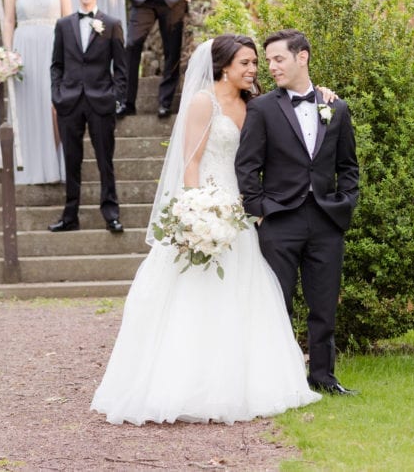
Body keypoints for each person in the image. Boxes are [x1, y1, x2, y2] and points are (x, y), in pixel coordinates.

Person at [91, 35, 322, 425]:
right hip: (208, 206)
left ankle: (242, 382)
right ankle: (185, 383)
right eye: (246, 63)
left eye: (255, 63)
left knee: (243, 291)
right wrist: (197, 212)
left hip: (241, 211)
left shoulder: (257, 103)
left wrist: (324, 96)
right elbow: (191, 161)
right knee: (194, 294)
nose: (253, 70)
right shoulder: (203, 102)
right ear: (224, 66)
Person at [235, 29, 360, 396]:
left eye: (278, 59)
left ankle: (323, 376)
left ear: (301, 57)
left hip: (326, 220)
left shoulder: (335, 107)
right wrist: (259, 210)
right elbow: (247, 166)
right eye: (267, 60)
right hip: (278, 220)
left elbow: (348, 166)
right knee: (277, 303)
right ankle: (279, 379)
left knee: (324, 305)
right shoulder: (261, 108)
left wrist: (345, 202)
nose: (270, 67)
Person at [48, 0, 127, 234]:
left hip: (100, 100)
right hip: (69, 102)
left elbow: (122, 69)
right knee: (71, 160)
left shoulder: (112, 24)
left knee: (105, 160)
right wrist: (56, 94)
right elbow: (56, 64)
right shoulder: (63, 25)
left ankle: (111, 214)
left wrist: (115, 96)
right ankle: (70, 216)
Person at [3, 0, 72, 184]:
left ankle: (55, 166)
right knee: (27, 105)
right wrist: (8, 53)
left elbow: (68, 19)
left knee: (51, 104)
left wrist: (70, 55)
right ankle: (28, 164)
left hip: (52, 48)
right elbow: (9, 21)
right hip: (24, 49)